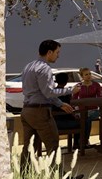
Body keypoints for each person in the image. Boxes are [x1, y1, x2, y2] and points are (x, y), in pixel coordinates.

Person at [18, 40, 77, 170]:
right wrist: (70, 90)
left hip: (27, 111)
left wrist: (60, 104)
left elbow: (42, 93)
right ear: (49, 52)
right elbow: (49, 92)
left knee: (28, 147)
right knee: (53, 145)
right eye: (57, 52)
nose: (58, 56)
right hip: (40, 113)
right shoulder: (45, 69)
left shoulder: (28, 66)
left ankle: (23, 176)